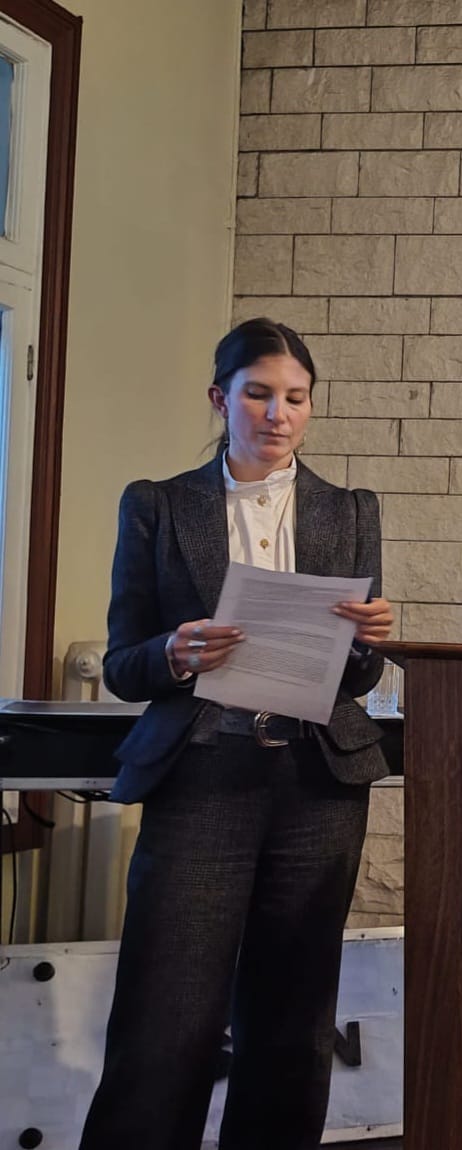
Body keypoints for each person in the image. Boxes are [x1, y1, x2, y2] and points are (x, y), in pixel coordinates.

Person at [80, 318, 395, 1150]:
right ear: (221, 400)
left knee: (294, 1024)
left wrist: (370, 644)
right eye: (258, 394)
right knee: (166, 1018)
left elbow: (358, 679)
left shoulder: (350, 510)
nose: (278, 414)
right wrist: (173, 653)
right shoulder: (159, 504)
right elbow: (123, 664)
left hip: (318, 784)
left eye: (296, 398)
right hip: (203, 772)